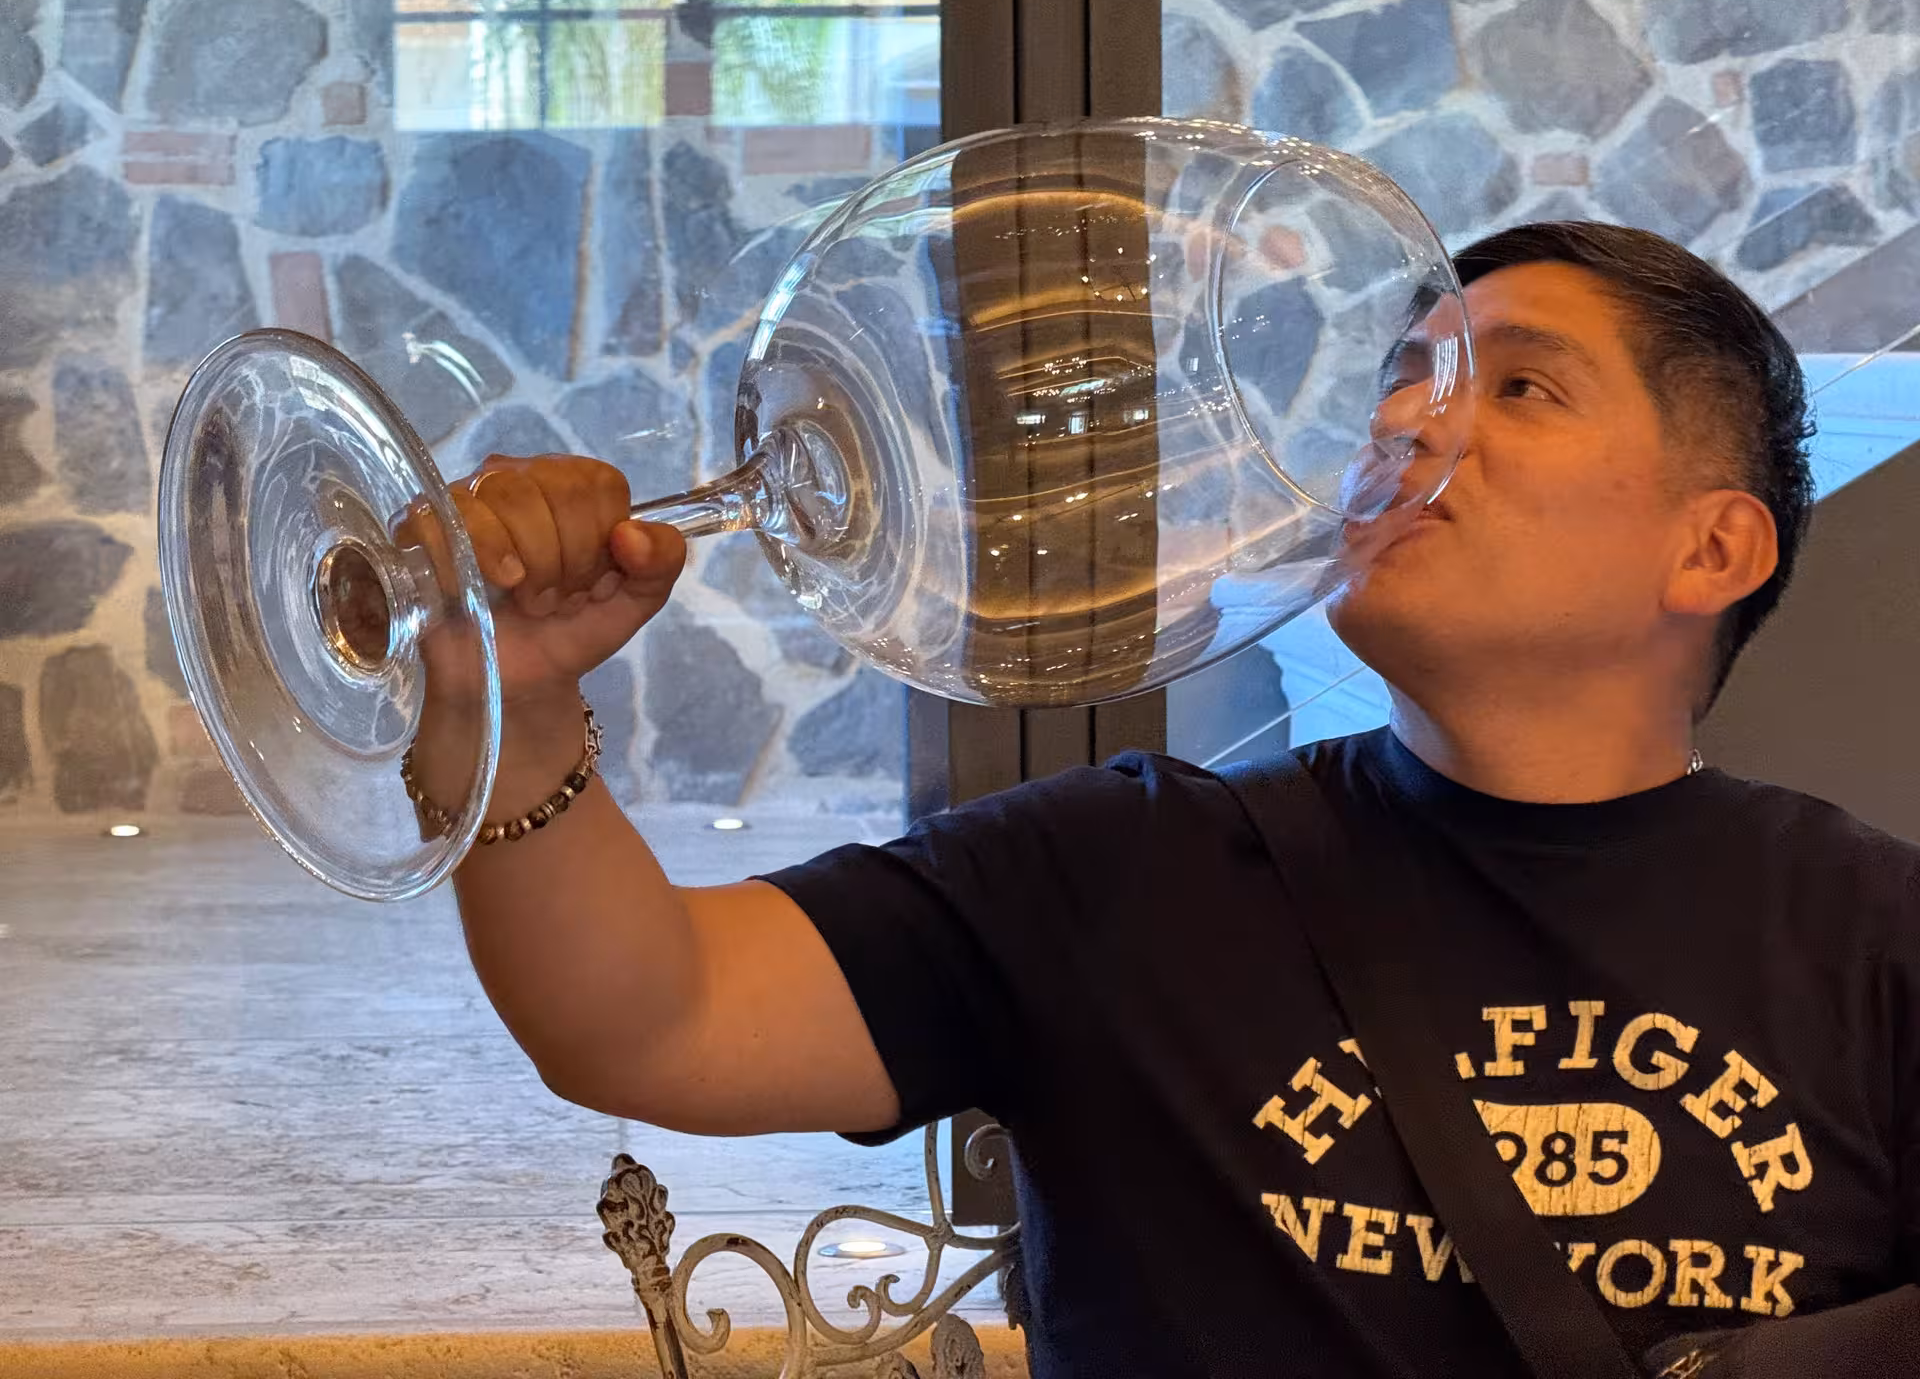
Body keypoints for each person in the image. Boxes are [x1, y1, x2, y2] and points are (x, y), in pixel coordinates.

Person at [407, 222, 1919, 1376]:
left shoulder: (1872, 940)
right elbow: (646, 1018)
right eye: (1405, 378)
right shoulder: (1127, 870)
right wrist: (511, 712)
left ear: (1712, 553)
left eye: (1517, 385)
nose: (1408, 423)